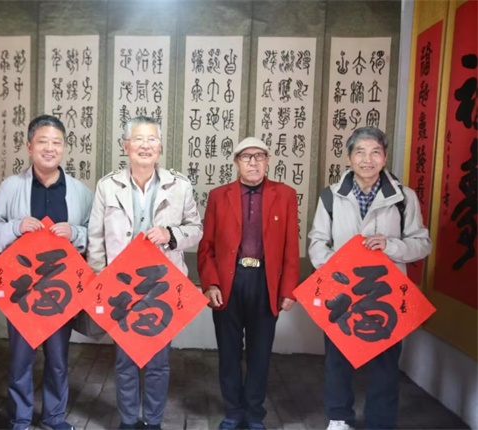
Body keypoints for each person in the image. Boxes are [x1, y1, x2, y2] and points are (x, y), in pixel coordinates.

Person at [308, 127, 432, 430]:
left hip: (385, 294)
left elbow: (422, 244)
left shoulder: (403, 198)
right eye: (360, 152)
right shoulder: (331, 196)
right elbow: (316, 243)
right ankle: (339, 418)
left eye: (375, 152)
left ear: (385, 157)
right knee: (337, 360)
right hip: (343, 293)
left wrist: (391, 246)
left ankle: (380, 422)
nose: (367, 159)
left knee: (385, 364)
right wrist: (338, 264)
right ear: (349, 157)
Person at [86, 116, 203, 430]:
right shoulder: (107, 186)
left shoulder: (179, 186)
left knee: (159, 361)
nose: (145, 145)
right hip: (122, 287)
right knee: (124, 360)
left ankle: (153, 422)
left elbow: (196, 229)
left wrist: (170, 234)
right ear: (126, 145)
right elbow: (95, 237)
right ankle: (127, 421)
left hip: (162, 287)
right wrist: (101, 279)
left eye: (152, 139)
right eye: (138, 139)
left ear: (160, 146)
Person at [0, 114, 92, 430]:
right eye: (42, 141)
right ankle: (19, 418)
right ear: (29, 147)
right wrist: (16, 227)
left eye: (56, 142)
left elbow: (94, 233)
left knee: (58, 358)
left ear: (64, 148)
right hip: (22, 288)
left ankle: (54, 416)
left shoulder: (80, 191)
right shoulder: (12, 186)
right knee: (21, 358)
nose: (49, 148)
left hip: (61, 287)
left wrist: (75, 232)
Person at [197, 137, 300, 430]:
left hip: (265, 282)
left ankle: (254, 415)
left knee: (260, 354)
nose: (253, 162)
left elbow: (291, 248)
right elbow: (207, 247)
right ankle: (232, 412)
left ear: (267, 161)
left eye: (259, 156)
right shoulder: (219, 196)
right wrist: (211, 284)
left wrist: (288, 290)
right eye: (246, 157)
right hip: (228, 282)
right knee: (229, 353)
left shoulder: (285, 194)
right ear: (236, 162)